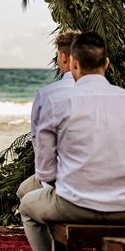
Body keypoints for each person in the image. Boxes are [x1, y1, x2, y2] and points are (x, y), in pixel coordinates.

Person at [20, 32, 125, 251]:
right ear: (106, 63)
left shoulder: (57, 102)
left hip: (75, 205)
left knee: (28, 206)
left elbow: (45, 171)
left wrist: (69, 184)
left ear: (73, 63)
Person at [17, 31, 79, 199]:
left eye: (58, 56)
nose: (57, 61)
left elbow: (39, 142)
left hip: (63, 180)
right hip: (102, 179)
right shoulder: (104, 93)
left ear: (64, 57)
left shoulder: (47, 95)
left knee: (24, 194)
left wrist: (48, 180)